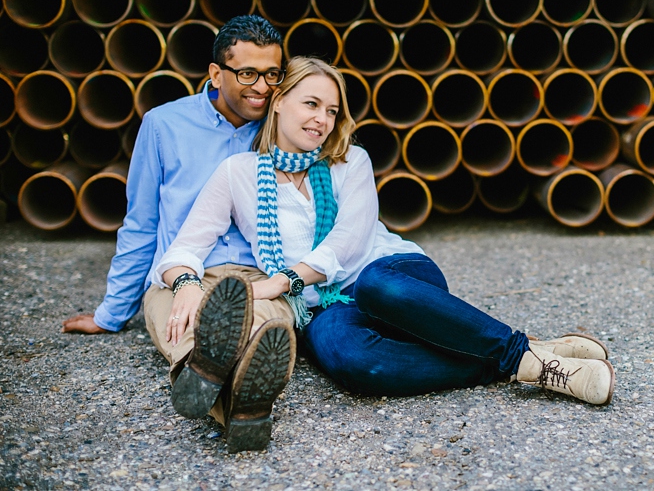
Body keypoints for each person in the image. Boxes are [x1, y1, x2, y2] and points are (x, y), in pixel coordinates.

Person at [155, 55, 615, 433]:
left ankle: (523, 359)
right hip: (324, 305)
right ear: (278, 102)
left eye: (332, 110)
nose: (322, 119)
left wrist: (284, 280)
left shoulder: (349, 160)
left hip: (396, 277)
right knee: (349, 359)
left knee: (377, 285)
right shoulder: (237, 173)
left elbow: (351, 243)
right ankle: (521, 356)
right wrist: (187, 285)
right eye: (311, 104)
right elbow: (185, 247)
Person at [61, 15, 296, 453]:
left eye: (271, 74)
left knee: (268, 332)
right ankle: (239, 406)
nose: (262, 87)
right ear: (215, 73)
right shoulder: (164, 125)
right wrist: (111, 313)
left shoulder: (284, 125)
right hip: (179, 273)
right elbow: (141, 223)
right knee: (188, 335)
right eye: (246, 73)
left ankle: (234, 406)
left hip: (257, 274)